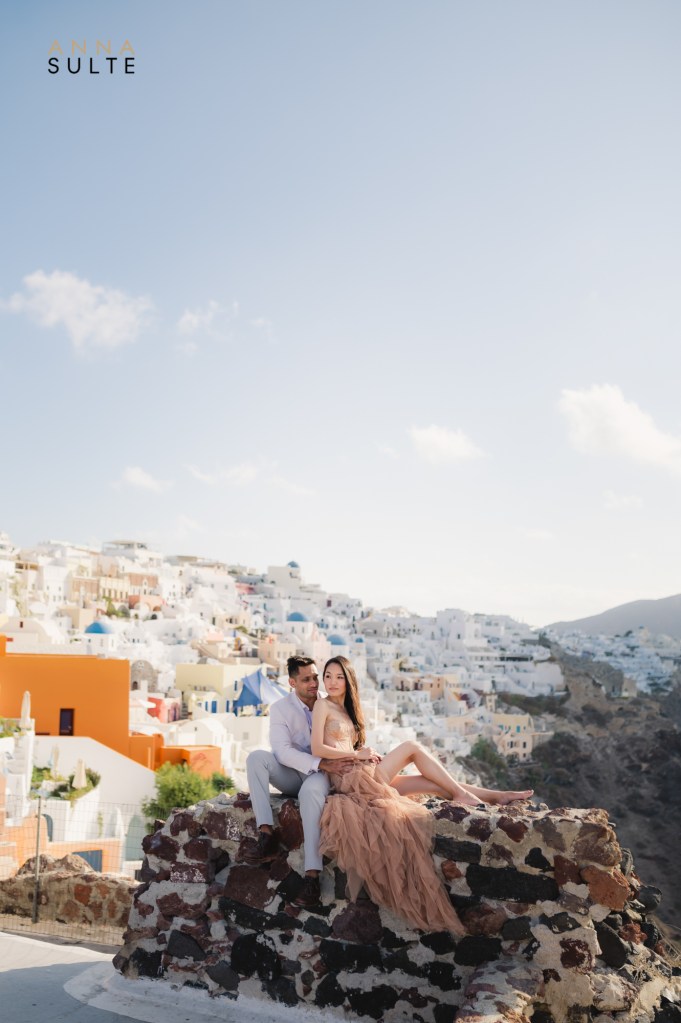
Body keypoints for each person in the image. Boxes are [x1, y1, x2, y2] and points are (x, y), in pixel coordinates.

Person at [311, 656, 533, 934]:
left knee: (432, 784)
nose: (331, 682)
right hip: (350, 781)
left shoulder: (345, 709)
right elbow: (317, 748)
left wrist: (362, 755)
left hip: (362, 774)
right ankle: (465, 793)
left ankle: (496, 796)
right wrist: (356, 754)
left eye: (338, 677)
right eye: (328, 676)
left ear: (348, 680)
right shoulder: (322, 704)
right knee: (412, 747)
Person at [245, 655, 357, 908]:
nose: (314, 683)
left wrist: (327, 765)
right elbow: (282, 751)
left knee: (310, 795)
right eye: (306, 679)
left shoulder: (328, 702)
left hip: (318, 776)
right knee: (256, 758)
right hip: (293, 772)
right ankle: (265, 833)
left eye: (316, 677)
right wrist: (320, 762)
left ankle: (312, 877)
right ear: (292, 683)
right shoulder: (280, 708)